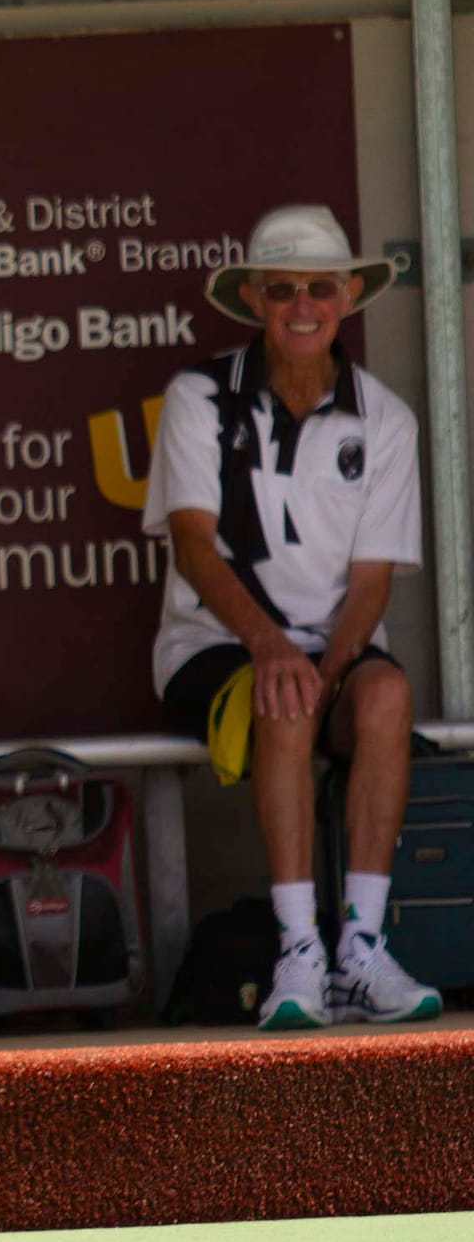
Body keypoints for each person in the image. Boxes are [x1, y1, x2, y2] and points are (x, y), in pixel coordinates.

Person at [143, 203, 440, 1030]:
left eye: (319, 287)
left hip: (332, 652)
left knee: (382, 697)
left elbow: (374, 582)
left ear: (347, 295)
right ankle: (297, 952)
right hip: (214, 647)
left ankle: (361, 950)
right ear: (253, 299)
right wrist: (274, 648)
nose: (302, 306)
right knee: (286, 692)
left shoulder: (386, 417)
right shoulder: (199, 397)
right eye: (282, 290)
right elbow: (196, 546)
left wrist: (328, 663)